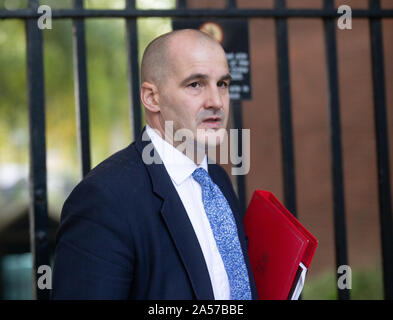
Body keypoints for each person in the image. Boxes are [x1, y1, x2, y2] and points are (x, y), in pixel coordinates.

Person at [51, 29, 257, 300]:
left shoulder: (217, 179)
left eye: (222, 84)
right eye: (195, 84)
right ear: (151, 98)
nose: (216, 102)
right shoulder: (103, 199)